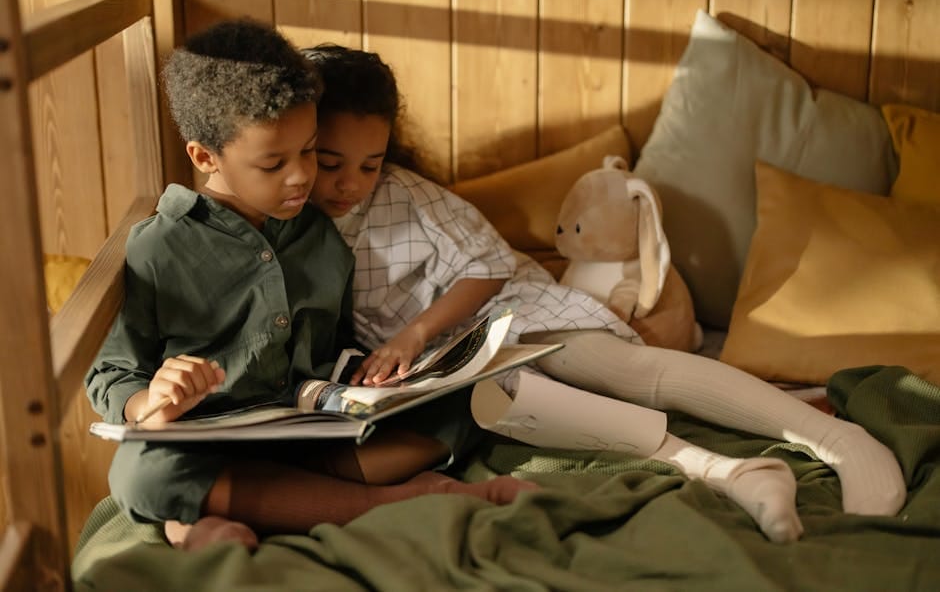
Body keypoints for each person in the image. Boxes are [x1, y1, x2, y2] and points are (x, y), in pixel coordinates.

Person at [302, 43, 908, 544]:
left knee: (625, 372)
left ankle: (838, 440)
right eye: (331, 164)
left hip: (507, 310)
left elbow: (487, 266)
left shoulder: (408, 195)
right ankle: (738, 475)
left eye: (369, 165)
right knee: (548, 414)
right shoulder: (293, 218)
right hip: (448, 370)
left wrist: (415, 332)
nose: (350, 184)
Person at [84, 20, 536, 553]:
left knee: (468, 402)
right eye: (274, 163)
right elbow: (111, 374)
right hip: (210, 441)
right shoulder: (157, 248)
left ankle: (208, 520)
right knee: (140, 473)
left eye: (309, 152)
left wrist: (380, 380)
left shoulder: (321, 235)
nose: (301, 177)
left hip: (313, 433)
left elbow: (337, 342)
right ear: (206, 158)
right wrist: (149, 401)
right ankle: (394, 501)